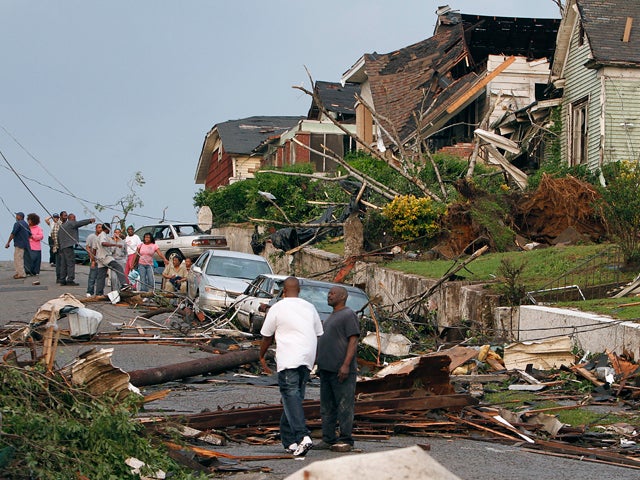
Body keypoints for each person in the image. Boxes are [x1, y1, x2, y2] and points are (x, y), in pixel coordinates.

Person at [259, 277, 323, 457]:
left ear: (283, 291)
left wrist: (261, 355)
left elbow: (266, 336)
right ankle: (289, 442)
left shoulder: (277, 308)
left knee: (290, 396)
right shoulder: (309, 307)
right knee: (293, 398)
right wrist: (314, 359)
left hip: (289, 359)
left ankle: (303, 436)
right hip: (307, 359)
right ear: (299, 291)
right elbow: (319, 334)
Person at [315, 286, 360, 452]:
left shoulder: (348, 315)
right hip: (326, 369)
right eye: (328, 293)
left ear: (343, 297)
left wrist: (346, 364)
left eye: (332, 293)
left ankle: (346, 439)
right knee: (327, 407)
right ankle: (328, 438)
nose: (329, 295)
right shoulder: (331, 316)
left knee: (344, 406)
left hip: (341, 370)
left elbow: (353, 341)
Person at [57, 213, 95, 286]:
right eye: (74, 218)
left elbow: (58, 237)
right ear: (72, 218)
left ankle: (62, 279)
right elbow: (79, 223)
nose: (75, 219)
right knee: (70, 263)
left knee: (64, 264)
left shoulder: (62, 226)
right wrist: (89, 221)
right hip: (68, 246)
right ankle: (70, 280)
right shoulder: (71, 223)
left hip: (63, 247)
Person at [94, 223, 128, 296]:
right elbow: (103, 243)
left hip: (99, 258)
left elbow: (94, 248)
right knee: (118, 267)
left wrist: (94, 259)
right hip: (105, 257)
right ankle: (124, 284)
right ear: (107, 228)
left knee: (101, 276)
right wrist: (115, 245)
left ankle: (98, 293)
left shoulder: (100, 236)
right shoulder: (103, 235)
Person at [4, 212, 31, 279]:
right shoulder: (25, 224)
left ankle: (21, 274)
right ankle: (18, 272)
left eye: (17, 215)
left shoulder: (17, 224)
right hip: (25, 244)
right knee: (19, 258)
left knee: (18, 259)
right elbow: (30, 234)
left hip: (19, 244)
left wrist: (8, 242)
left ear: (20, 216)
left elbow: (13, 233)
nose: (16, 217)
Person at [25, 213, 44, 284]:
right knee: (28, 260)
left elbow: (41, 236)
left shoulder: (38, 228)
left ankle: (35, 272)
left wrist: (33, 236)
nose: (29, 222)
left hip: (36, 247)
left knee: (36, 260)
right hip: (28, 246)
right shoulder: (26, 227)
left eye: (30, 220)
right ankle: (28, 271)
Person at [85, 223, 103, 297]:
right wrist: (92, 258)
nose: (100, 229)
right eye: (99, 227)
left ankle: (99, 292)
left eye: (101, 228)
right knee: (92, 277)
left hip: (101, 260)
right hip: (94, 259)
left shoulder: (104, 237)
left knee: (101, 278)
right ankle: (90, 291)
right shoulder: (91, 237)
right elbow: (88, 247)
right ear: (96, 228)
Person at [50, 211, 68, 283]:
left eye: (66, 216)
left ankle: (63, 277)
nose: (66, 217)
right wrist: (59, 247)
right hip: (59, 247)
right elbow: (54, 235)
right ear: (61, 217)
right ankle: (59, 277)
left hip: (66, 247)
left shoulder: (67, 224)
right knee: (59, 264)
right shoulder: (58, 224)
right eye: (64, 216)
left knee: (65, 264)